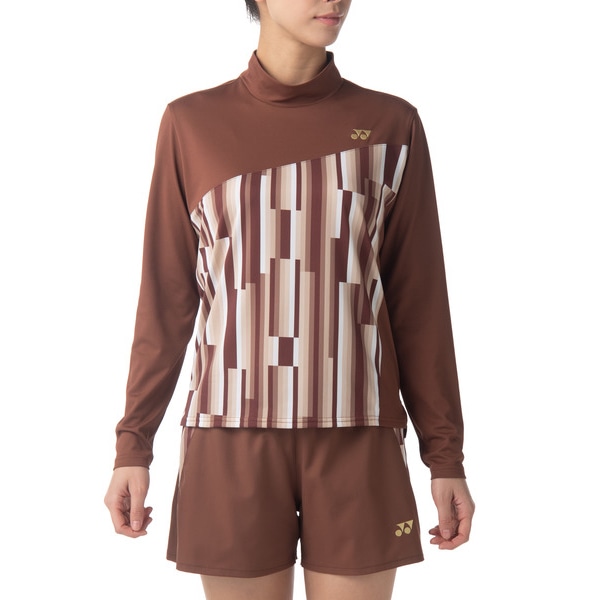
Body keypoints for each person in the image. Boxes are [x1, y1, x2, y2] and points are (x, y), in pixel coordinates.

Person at [104, 0, 475, 598]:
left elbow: (420, 303)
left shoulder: (391, 124)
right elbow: (166, 300)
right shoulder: (190, 123)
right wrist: (133, 445)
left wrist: (445, 455)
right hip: (229, 434)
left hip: (358, 433)